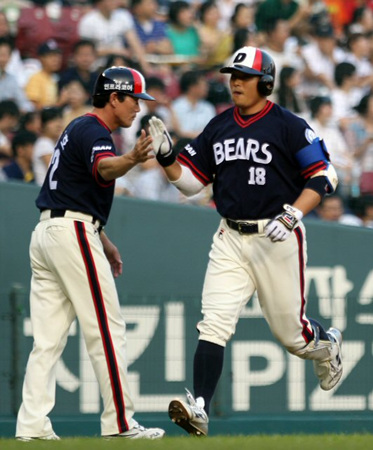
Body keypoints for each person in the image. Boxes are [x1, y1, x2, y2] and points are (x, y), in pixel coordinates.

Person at [148, 46, 343, 436]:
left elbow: (325, 176)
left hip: (277, 234)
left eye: (244, 76)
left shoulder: (287, 124)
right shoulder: (219, 125)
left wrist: (292, 215)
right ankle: (199, 407)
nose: (235, 81)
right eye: (232, 75)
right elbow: (191, 183)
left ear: (266, 83)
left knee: (293, 336)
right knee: (213, 324)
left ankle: (327, 344)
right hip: (230, 236)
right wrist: (168, 157)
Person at [15, 66, 165, 441]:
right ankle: (120, 424)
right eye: (133, 100)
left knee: (47, 341)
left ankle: (31, 426)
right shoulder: (95, 130)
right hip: (71, 233)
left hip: (51, 230)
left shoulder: (77, 127)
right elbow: (103, 169)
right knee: (107, 331)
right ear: (113, 97)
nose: (137, 108)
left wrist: (103, 238)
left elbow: (76, 190)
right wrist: (132, 158)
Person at [33, 107, 64, 186]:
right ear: (43, 125)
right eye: (53, 120)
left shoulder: (56, 142)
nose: (58, 124)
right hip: (45, 193)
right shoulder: (43, 143)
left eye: (60, 119)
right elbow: (55, 172)